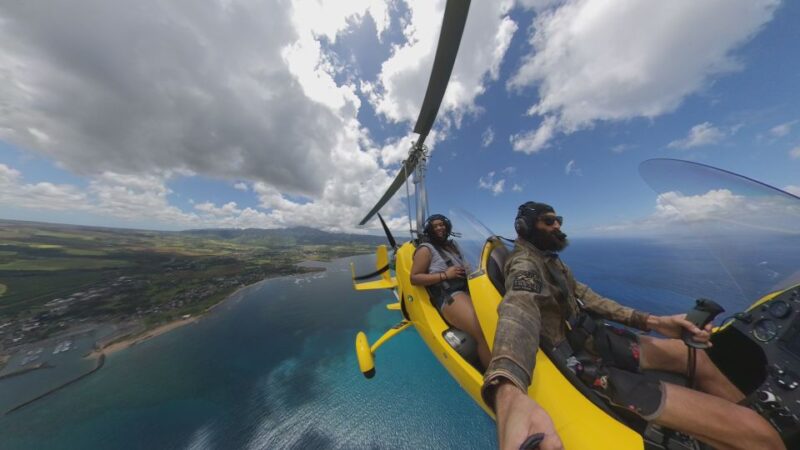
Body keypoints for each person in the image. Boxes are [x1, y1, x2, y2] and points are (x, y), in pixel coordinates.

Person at [481, 201, 784, 450]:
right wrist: (507, 387)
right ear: (525, 227)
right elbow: (519, 308)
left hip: (597, 341)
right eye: (549, 221)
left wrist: (655, 321)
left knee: (693, 356)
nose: (558, 225)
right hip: (583, 366)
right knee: (763, 437)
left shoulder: (550, 261)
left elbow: (589, 297)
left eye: (558, 219)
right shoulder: (524, 265)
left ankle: (735, 422)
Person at [411, 214, 491, 369]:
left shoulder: (452, 245)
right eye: (435, 226)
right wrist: (445, 275)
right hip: (449, 295)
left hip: (470, 289)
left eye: (442, 225)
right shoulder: (425, 250)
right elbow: (414, 278)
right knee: (484, 332)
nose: (440, 228)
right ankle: (497, 381)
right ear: (429, 230)